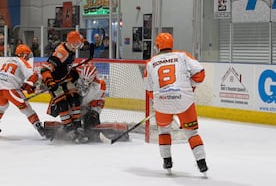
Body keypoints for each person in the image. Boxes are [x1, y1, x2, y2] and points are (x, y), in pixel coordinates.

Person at [143, 33, 208, 173]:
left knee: (163, 131)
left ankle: (167, 161)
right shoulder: (183, 55)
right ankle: (201, 162)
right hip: (184, 99)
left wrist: (158, 100)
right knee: (192, 132)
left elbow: (149, 89)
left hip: (162, 102)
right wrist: (187, 86)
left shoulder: (150, 62)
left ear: (158, 45)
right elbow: (200, 74)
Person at [43, 63, 129, 142]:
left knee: (90, 126)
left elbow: (96, 102)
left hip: (88, 107)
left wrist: (94, 113)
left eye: (88, 81)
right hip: (75, 106)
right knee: (62, 110)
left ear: (93, 78)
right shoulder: (76, 74)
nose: (85, 82)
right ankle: (70, 127)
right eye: (83, 79)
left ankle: (86, 128)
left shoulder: (98, 86)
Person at [0, 44, 45, 137]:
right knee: (26, 108)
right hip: (10, 87)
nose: (28, 58)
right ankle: (40, 128)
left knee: (2, 106)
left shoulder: (9, 61)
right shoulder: (21, 61)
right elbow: (33, 75)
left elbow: (14, 75)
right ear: (23, 54)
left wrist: (26, 86)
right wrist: (33, 84)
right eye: (27, 55)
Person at [40, 30, 84, 141]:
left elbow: (64, 67)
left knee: (75, 99)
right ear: (69, 42)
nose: (76, 47)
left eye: (78, 44)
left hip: (64, 80)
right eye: (75, 44)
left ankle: (77, 125)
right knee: (62, 103)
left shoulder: (70, 50)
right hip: (54, 82)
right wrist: (50, 82)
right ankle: (68, 128)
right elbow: (45, 68)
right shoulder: (61, 52)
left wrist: (72, 72)